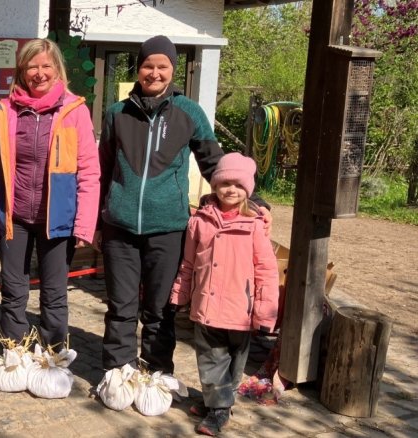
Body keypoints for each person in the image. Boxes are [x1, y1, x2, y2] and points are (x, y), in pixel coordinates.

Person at [97, 35, 272, 376]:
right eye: (148, 65)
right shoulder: (116, 113)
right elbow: (104, 169)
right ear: (139, 68)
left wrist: (250, 199)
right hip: (119, 227)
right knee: (120, 306)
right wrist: (96, 222)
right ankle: (118, 371)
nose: (155, 73)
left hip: (169, 227)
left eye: (163, 66)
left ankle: (157, 372)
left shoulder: (188, 112)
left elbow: (214, 162)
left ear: (172, 70)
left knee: (160, 308)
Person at [0, 38, 100, 346]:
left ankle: (54, 351)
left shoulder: (75, 111)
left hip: (56, 219)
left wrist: (84, 224)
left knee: (55, 291)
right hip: (13, 216)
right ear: (22, 71)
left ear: (57, 68)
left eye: (46, 65)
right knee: (14, 290)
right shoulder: (5, 111)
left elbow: (88, 171)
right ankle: (14, 350)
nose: (40, 72)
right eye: (32, 66)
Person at [169, 153, 279, 436]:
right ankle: (218, 411)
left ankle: (219, 402)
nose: (231, 189)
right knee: (210, 358)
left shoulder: (254, 225)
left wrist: (265, 312)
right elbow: (188, 263)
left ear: (248, 189)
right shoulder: (200, 222)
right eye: (225, 182)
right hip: (207, 305)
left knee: (234, 360)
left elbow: (266, 270)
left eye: (238, 185)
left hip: (240, 310)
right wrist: (180, 295)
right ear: (215, 184)